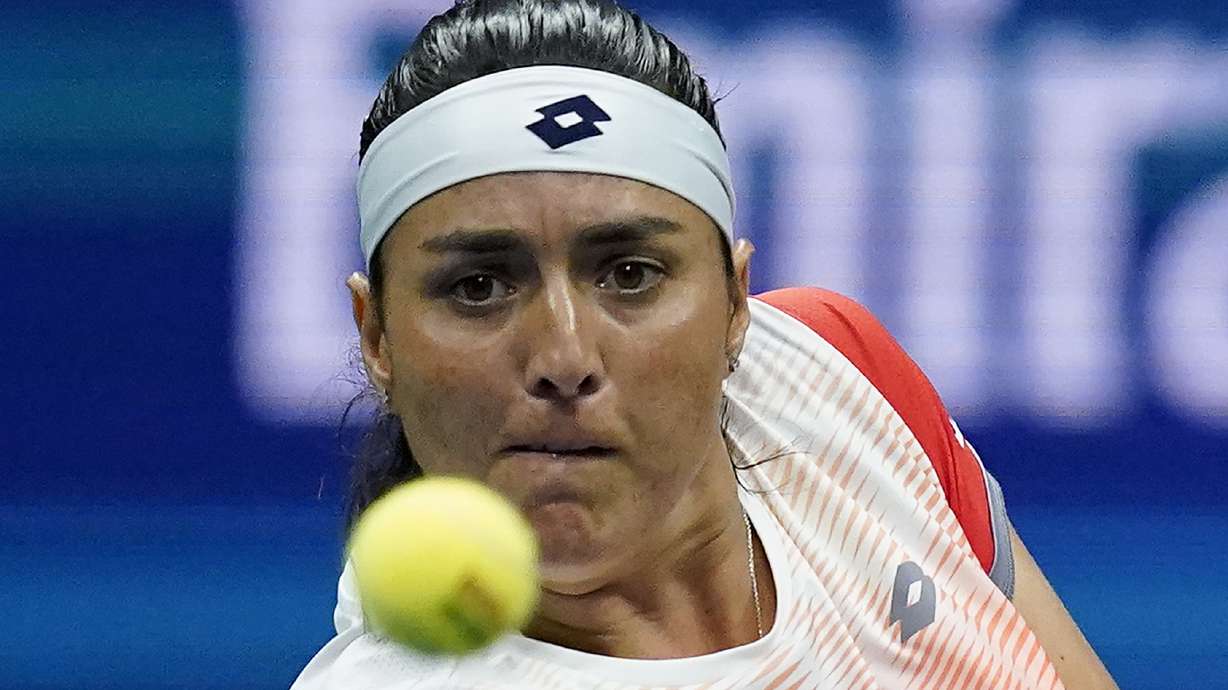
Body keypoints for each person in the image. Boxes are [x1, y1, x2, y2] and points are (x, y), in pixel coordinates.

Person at [292, 0, 1118, 687]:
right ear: (378, 336)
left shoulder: (834, 376)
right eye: (479, 287)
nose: (564, 357)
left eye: (630, 273)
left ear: (733, 302)